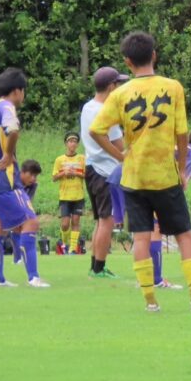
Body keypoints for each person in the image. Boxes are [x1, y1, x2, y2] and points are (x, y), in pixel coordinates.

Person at [90, 31, 191, 312]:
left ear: (127, 62)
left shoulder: (120, 93)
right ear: (154, 55)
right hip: (164, 175)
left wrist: (121, 156)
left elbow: (96, 130)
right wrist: (182, 170)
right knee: (184, 235)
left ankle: (150, 302)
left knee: (141, 236)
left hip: (134, 177)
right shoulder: (173, 87)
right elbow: (182, 133)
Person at [0, 68, 49, 287]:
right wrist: (7, 154)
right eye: (24, 91)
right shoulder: (6, 107)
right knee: (30, 221)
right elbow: (13, 129)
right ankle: (33, 277)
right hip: (7, 180)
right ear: (17, 91)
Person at [117, 124, 191, 290]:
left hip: (131, 180)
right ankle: (156, 280)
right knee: (156, 231)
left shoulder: (178, 145)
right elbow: (180, 181)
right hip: (156, 188)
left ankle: (145, 279)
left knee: (143, 234)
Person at [81, 66, 128, 279]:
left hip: (91, 167)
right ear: (111, 87)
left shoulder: (87, 107)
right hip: (106, 171)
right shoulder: (107, 111)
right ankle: (99, 268)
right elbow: (120, 145)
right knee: (108, 220)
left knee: (101, 220)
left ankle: (95, 266)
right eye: (118, 84)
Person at [53, 132, 86, 254]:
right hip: (65, 196)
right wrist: (64, 173)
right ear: (66, 144)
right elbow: (54, 177)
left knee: (76, 221)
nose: (73, 144)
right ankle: (63, 243)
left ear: (77, 144)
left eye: (75, 141)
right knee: (65, 224)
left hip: (78, 196)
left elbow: (87, 175)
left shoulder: (82, 159)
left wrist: (76, 173)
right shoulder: (59, 160)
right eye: (70, 141)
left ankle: (73, 248)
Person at [10, 160, 42, 265]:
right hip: (6, 208)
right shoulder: (12, 181)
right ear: (22, 172)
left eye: (35, 176)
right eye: (31, 175)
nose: (33, 178)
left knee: (23, 225)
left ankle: (19, 258)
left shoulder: (33, 185)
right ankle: (18, 258)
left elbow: (28, 201)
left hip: (21, 209)